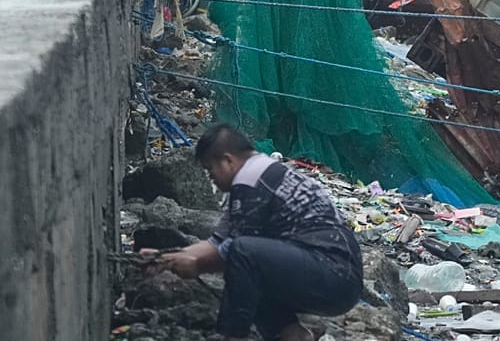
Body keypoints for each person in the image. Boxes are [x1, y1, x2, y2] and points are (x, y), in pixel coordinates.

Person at [155, 125, 363, 341]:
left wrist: (197, 266)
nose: (211, 178)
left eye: (210, 169)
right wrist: (163, 260)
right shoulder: (259, 175)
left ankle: (234, 336)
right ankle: (294, 335)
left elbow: (233, 252)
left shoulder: (251, 180)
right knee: (250, 261)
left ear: (228, 161)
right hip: (338, 279)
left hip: (332, 274)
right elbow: (217, 243)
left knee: (244, 257)